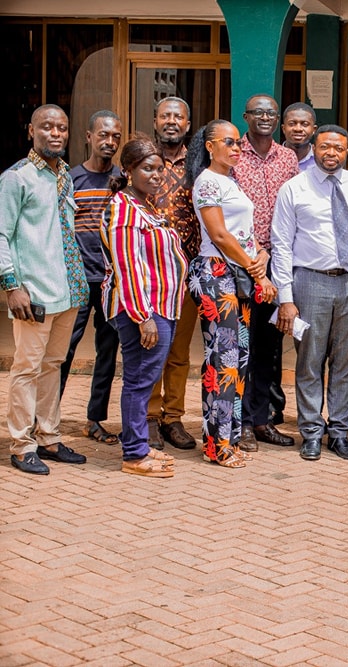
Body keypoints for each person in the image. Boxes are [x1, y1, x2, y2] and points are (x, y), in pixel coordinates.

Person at [272, 125, 348, 462]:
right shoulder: (294, 188)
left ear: (347, 152)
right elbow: (281, 245)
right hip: (309, 281)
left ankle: (339, 432)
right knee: (310, 361)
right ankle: (312, 432)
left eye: (339, 148)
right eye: (326, 146)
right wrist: (285, 297)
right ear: (313, 148)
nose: (332, 153)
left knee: (346, 362)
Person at [0, 104, 89, 475]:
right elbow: (1, 234)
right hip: (33, 293)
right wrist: (11, 285)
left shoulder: (64, 175)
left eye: (62, 127)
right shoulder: (16, 178)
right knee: (27, 368)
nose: (55, 133)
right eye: (47, 127)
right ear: (30, 131)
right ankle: (22, 446)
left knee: (53, 365)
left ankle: (49, 437)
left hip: (68, 290)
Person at [186, 119, 278, 468]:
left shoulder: (231, 181)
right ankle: (215, 446)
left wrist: (260, 256)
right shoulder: (207, 182)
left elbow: (243, 232)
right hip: (216, 273)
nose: (237, 147)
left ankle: (229, 437)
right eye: (229, 142)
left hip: (238, 274)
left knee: (238, 361)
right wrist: (256, 271)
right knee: (222, 361)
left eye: (239, 142)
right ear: (210, 146)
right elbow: (220, 236)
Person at [101, 135, 187, 478]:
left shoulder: (144, 206)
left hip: (160, 307)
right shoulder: (123, 209)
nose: (156, 175)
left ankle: (138, 443)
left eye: (159, 169)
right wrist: (143, 317)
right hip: (142, 311)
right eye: (147, 169)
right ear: (129, 171)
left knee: (144, 377)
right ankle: (134, 454)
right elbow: (128, 267)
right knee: (138, 380)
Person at [232, 94, 299, 450]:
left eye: (271, 112)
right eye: (257, 111)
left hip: (279, 261)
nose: (264, 117)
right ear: (245, 116)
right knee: (242, 343)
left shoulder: (288, 158)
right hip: (243, 262)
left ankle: (261, 420)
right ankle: (238, 422)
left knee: (268, 347)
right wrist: (251, 259)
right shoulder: (232, 154)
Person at [59, 110, 123, 446]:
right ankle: (48, 418)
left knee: (107, 353)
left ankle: (95, 420)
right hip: (78, 280)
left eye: (115, 136)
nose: (110, 142)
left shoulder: (122, 179)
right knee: (63, 350)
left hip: (111, 281)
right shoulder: (71, 179)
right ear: (89, 137)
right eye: (103, 135)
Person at [147, 96, 201, 451]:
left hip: (186, 271)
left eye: (177, 117)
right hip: (150, 273)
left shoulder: (198, 164)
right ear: (155, 121)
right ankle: (148, 417)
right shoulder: (143, 160)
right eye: (165, 116)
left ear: (187, 124)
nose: (171, 121)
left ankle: (173, 418)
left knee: (179, 351)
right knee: (150, 350)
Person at [281, 102, 318, 173]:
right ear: (284, 129)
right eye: (292, 124)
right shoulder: (272, 159)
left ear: (314, 130)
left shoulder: (320, 161)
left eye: (305, 124)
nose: (298, 129)